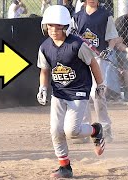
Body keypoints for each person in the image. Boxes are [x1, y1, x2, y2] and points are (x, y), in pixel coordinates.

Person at [37, 5, 106, 178]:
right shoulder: (45, 47)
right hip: (59, 93)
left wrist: (100, 85)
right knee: (55, 130)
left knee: (72, 131)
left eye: (58, 26)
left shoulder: (77, 45)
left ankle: (95, 130)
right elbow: (44, 70)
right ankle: (65, 167)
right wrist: (43, 88)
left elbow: (93, 63)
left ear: (66, 26)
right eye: (50, 25)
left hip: (78, 91)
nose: (53, 29)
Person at [70, 0, 119, 143]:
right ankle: (84, 129)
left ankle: (105, 127)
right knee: (82, 92)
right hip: (81, 58)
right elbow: (70, 36)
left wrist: (108, 50)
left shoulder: (105, 15)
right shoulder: (77, 16)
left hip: (98, 58)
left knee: (97, 93)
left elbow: (112, 38)